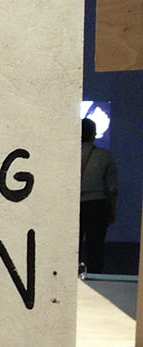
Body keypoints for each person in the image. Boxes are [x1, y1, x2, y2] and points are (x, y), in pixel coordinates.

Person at [80, 117, 118, 275]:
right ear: (94, 134)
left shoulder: (68, 155)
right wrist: (113, 210)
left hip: (74, 205)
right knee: (96, 246)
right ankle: (95, 277)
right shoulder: (104, 155)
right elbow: (111, 188)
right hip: (97, 205)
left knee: (72, 245)